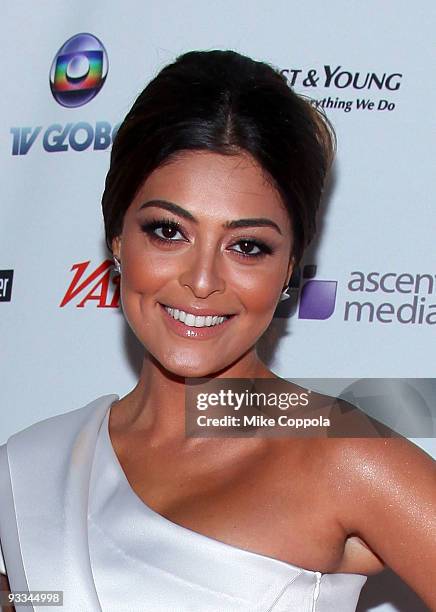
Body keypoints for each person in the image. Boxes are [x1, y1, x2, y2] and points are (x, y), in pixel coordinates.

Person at [0, 49, 435, 612]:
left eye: (247, 246)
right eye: (167, 232)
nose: (202, 280)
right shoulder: (29, 467)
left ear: (289, 268)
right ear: (116, 239)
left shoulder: (344, 454)